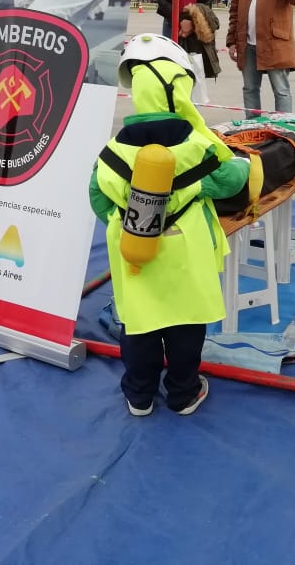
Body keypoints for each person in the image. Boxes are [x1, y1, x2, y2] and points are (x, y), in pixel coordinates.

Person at [90, 34, 249, 416]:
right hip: (185, 253)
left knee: (138, 325)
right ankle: (183, 393)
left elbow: (97, 197)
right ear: (180, 87)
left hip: (135, 252)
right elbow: (231, 180)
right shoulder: (196, 142)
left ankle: (139, 395)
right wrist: (234, 167)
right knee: (185, 326)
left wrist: (133, 213)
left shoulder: (114, 148)